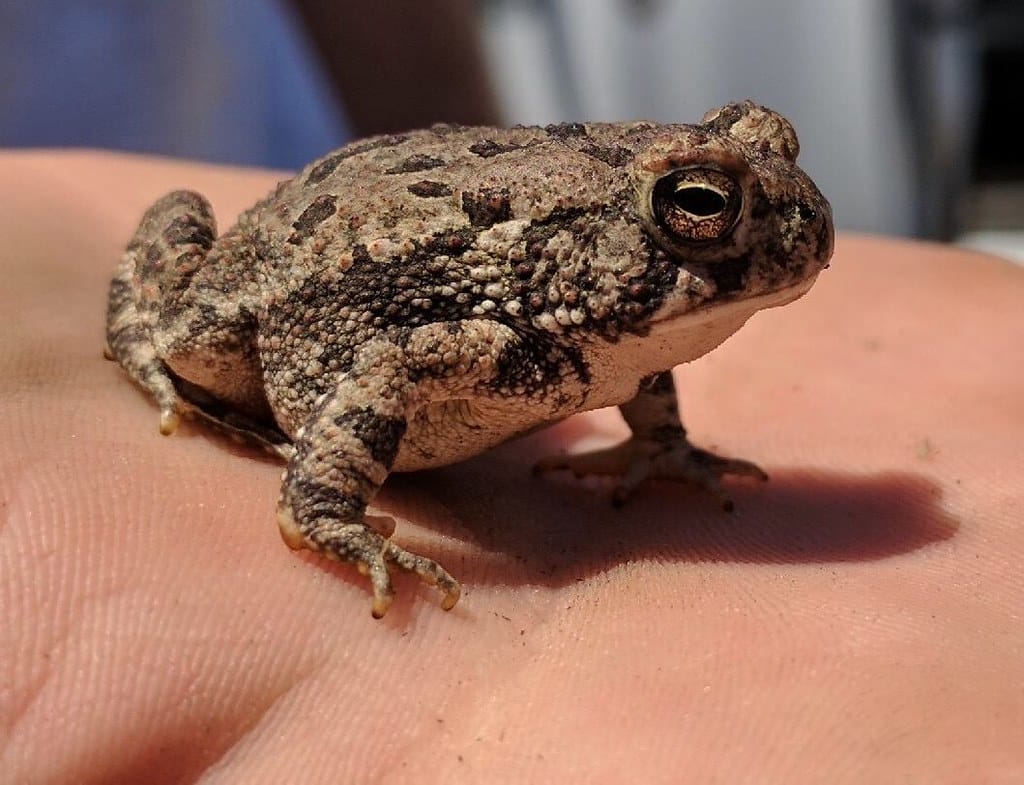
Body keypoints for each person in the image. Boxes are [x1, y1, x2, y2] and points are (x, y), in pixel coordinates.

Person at [2, 150, 1022, 781]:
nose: (792, 229)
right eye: (707, 208)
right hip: (305, 276)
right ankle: (164, 360)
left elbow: (641, 341)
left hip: (466, 228)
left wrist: (656, 438)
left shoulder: (589, 322)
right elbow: (396, 357)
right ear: (620, 239)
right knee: (194, 345)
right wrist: (324, 498)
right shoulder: (513, 340)